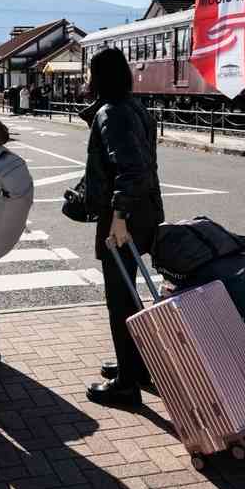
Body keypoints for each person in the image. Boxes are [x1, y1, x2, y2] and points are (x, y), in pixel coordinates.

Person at [78, 47, 164, 407]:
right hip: (144, 212)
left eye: (89, 73)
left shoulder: (112, 113)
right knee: (129, 295)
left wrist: (118, 219)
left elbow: (129, 170)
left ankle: (127, 385)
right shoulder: (133, 105)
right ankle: (136, 365)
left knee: (120, 300)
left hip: (123, 218)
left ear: (99, 77)